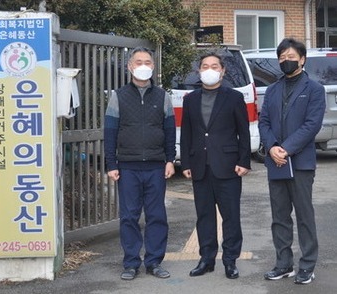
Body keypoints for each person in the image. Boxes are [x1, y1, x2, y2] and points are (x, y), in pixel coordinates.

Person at [104, 47, 176, 281]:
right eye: (138, 62)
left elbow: (168, 131)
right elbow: (111, 132)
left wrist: (170, 160)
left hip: (155, 166)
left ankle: (154, 262)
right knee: (129, 217)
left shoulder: (163, 96)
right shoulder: (118, 96)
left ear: (153, 67)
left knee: (157, 216)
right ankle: (131, 263)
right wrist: (111, 164)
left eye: (147, 62)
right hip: (128, 167)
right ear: (130, 66)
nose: (143, 65)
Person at [259, 38, 325, 285]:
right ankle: (283, 264)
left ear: (303, 59)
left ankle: (307, 265)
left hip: (301, 163)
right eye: (282, 57)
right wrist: (273, 147)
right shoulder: (273, 89)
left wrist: (285, 149)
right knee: (279, 216)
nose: (286, 61)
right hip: (276, 162)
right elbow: (264, 121)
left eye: (291, 56)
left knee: (304, 215)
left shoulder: (314, 89)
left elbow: (312, 125)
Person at [180, 51, 251, 279]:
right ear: (198, 71)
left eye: (214, 66)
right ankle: (206, 259)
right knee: (204, 215)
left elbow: (243, 132)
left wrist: (244, 161)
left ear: (223, 70)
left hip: (228, 166)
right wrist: (186, 163)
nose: (209, 70)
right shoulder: (190, 99)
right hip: (200, 166)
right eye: (204, 66)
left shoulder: (234, 97)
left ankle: (230, 260)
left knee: (231, 216)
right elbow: (187, 134)